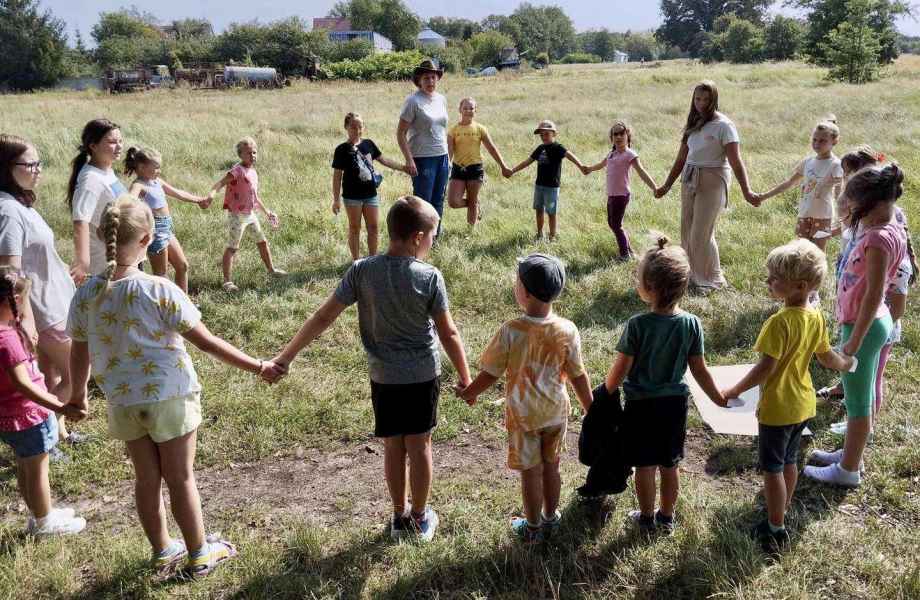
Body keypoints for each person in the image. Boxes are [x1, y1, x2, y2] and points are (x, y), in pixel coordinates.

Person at [67, 196, 282, 576]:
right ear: (148, 238)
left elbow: (79, 351)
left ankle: (163, 548)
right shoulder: (159, 289)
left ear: (102, 236)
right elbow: (207, 341)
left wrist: (78, 395)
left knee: (146, 478)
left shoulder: (85, 293)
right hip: (169, 398)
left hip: (122, 402)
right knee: (180, 478)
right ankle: (200, 552)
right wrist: (258, 365)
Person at [270, 196, 472, 542]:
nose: (433, 244)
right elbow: (448, 332)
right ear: (418, 238)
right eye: (433, 237)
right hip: (422, 376)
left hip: (384, 378)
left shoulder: (362, 270)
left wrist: (285, 357)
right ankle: (420, 517)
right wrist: (467, 378)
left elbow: (323, 316)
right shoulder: (430, 277)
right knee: (420, 446)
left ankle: (398, 515)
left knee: (394, 446)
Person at [720, 239, 854, 552]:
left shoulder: (778, 323)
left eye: (774, 278)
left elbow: (765, 368)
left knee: (772, 469)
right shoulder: (816, 317)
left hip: (778, 408)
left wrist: (735, 390)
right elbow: (827, 357)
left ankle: (775, 526)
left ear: (799, 285)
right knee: (790, 461)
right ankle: (783, 507)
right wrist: (847, 363)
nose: (768, 282)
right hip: (804, 404)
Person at [459, 254, 592, 543]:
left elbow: (491, 373)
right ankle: (550, 518)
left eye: (517, 281)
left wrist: (470, 393)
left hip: (523, 416)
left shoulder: (511, 330)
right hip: (556, 413)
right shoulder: (567, 330)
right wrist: (590, 407)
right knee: (552, 466)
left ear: (525, 292)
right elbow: (578, 375)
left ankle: (532, 529)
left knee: (531, 473)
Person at [603, 238, 724, 534]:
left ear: (649, 287)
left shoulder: (638, 325)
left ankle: (645, 519)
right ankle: (666, 518)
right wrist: (718, 398)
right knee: (670, 465)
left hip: (640, 405)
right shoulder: (691, 324)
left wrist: (604, 392)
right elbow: (700, 370)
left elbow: (620, 370)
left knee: (645, 465)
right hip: (674, 406)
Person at [804, 165, 907, 487]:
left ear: (868, 204)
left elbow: (874, 293)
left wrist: (853, 343)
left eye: (850, 203)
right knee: (857, 399)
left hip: (863, 326)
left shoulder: (877, 238)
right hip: (874, 322)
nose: (847, 208)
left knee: (858, 404)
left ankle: (848, 470)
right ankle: (849, 453)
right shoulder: (892, 226)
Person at [0, 135, 82, 454]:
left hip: (52, 303)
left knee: (48, 376)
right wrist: (26, 321)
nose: (38, 170)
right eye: (30, 164)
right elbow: (9, 273)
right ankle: (46, 435)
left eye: (39, 163)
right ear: (7, 168)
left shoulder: (19, 203)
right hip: (42, 311)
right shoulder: (7, 212)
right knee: (77, 373)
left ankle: (57, 436)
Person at [0, 268, 86, 536]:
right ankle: (45, 522)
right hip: (28, 416)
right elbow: (23, 384)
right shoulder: (7, 340)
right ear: (11, 301)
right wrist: (59, 406)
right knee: (37, 471)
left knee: (25, 467)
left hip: (9, 417)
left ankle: (39, 514)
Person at [655, 81, 758, 293]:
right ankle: (690, 275)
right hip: (690, 177)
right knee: (687, 229)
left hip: (713, 178)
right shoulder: (693, 123)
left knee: (701, 232)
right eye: (697, 99)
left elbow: (736, 162)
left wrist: (747, 190)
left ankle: (713, 280)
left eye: (706, 99)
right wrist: (667, 184)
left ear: (714, 100)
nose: (701, 103)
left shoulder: (724, 126)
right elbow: (681, 157)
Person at [124, 146, 211, 293]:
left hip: (167, 228)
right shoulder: (139, 185)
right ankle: (163, 309)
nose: (159, 171)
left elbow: (178, 193)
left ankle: (184, 301)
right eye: (156, 167)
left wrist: (198, 200)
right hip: (155, 231)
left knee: (183, 266)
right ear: (141, 167)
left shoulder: (157, 181)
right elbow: (129, 201)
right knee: (161, 275)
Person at [206, 137, 285, 292]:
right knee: (233, 247)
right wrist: (211, 195)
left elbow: (254, 196)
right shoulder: (237, 171)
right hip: (237, 215)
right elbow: (220, 183)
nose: (252, 155)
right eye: (248, 153)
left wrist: (266, 211)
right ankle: (227, 282)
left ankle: (271, 270)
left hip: (250, 214)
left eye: (254, 152)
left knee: (262, 241)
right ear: (240, 154)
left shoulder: (253, 172)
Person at [756, 117, 843, 252]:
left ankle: (817, 274)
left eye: (822, 141)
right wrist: (764, 196)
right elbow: (790, 182)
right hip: (804, 214)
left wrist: (842, 217)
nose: (817, 144)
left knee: (817, 253)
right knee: (801, 252)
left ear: (835, 141)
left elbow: (839, 193)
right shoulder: (808, 162)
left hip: (823, 216)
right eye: (814, 139)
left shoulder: (836, 164)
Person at [332, 112, 407, 261]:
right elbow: (337, 176)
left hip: (370, 194)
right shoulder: (341, 149)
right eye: (353, 127)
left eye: (360, 126)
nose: (357, 130)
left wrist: (403, 167)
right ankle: (356, 261)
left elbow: (384, 160)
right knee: (354, 228)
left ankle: (372, 260)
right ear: (346, 127)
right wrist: (336, 199)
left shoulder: (369, 144)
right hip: (351, 196)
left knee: (373, 227)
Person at [582, 121, 659, 260]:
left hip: (621, 195)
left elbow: (641, 171)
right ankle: (628, 250)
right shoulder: (611, 154)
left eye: (621, 133)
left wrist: (654, 187)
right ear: (611, 138)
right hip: (611, 194)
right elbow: (601, 164)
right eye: (615, 134)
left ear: (627, 136)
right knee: (612, 223)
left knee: (616, 225)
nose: (618, 136)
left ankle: (625, 255)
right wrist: (589, 169)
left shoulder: (630, 154)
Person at [66, 118, 127, 284]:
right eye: (112, 142)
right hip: (104, 263)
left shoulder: (106, 170)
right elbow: (80, 221)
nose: (119, 146)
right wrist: (83, 262)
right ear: (93, 146)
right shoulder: (90, 179)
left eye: (120, 141)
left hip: (122, 255)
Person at [508, 120, 587, 241]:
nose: (543, 137)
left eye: (546, 134)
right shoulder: (540, 148)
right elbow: (527, 161)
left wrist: (581, 166)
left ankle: (552, 236)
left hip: (552, 186)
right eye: (541, 135)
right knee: (539, 210)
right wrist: (513, 170)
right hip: (539, 185)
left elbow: (569, 155)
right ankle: (540, 234)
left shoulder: (558, 147)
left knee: (551, 213)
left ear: (554, 134)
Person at [397, 59, 449, 236]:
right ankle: (419, 239)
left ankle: (435, 238)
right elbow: (400, 133)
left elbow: (442, 129)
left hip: (442, 156)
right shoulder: (413, 101)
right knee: (423, 203)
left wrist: (448, 158)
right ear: (419, 80)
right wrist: (409, 159)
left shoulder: (441, 99)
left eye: (433, 77)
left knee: (439, 200)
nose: (431, 82)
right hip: (422, 158)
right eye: (426, 78)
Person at [446, 97, 512, 228]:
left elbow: (492, 148)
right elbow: (449, 151)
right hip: (458, 168)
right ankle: (475, 203)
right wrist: (446, 167)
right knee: (453, 202)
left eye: (471, 108)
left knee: (472, 200)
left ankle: (471, 230)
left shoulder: (480, 129)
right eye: (465, 108)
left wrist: (503, 166)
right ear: (460, 110)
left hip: (475, 169)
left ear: (475, 110)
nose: (468, 110)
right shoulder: (453, 130)